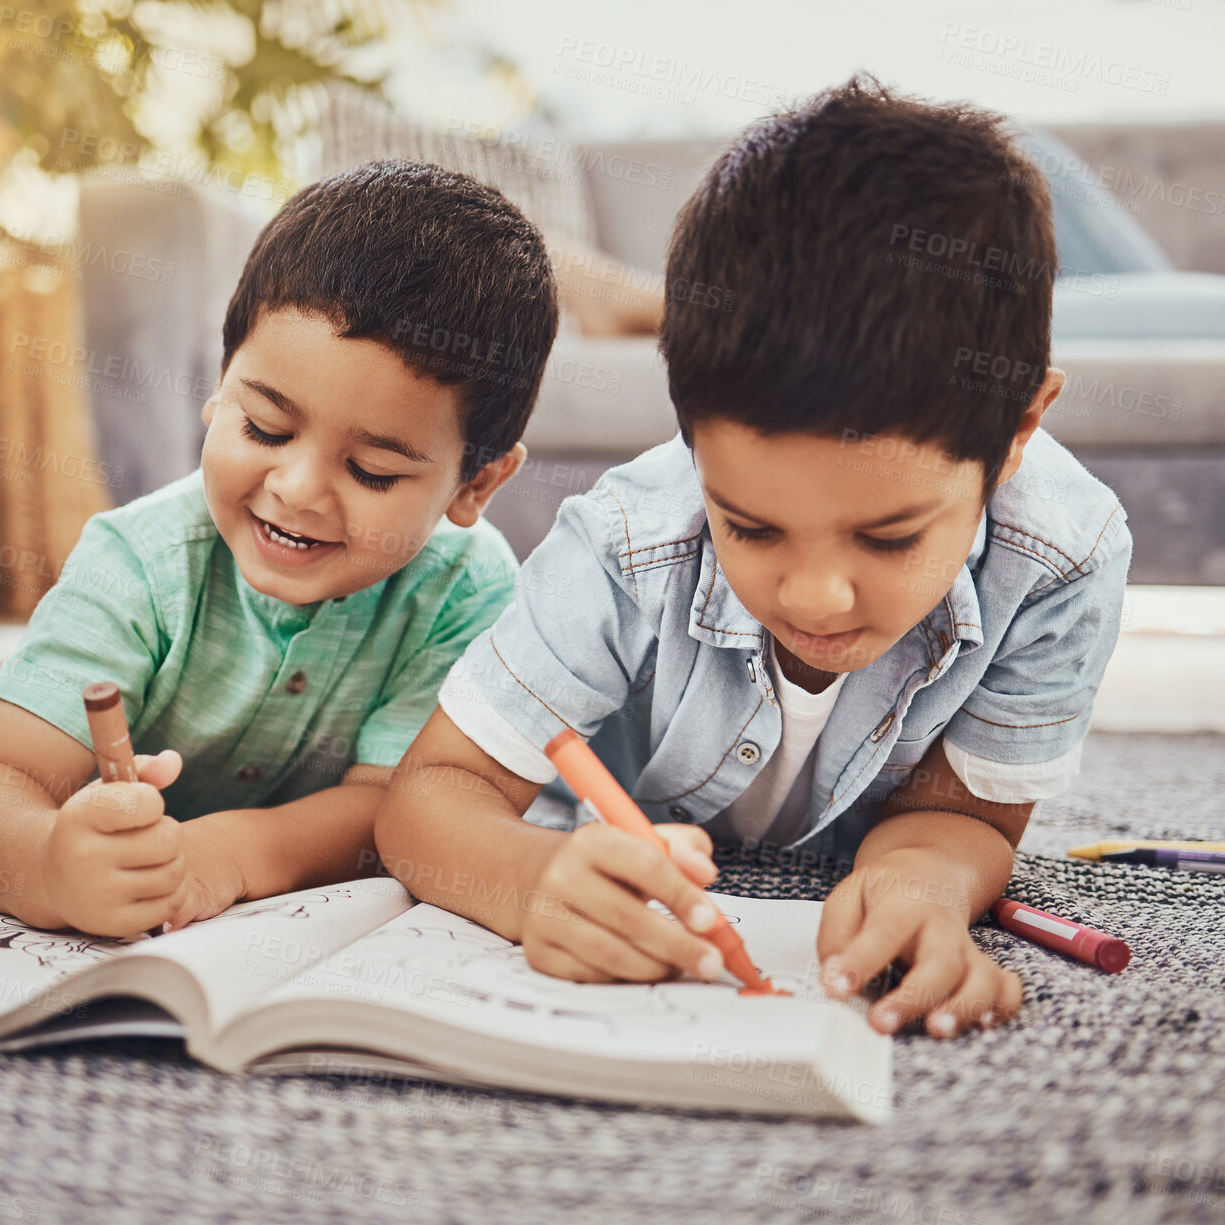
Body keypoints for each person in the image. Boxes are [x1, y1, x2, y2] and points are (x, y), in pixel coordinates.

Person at [373, 76, 1132, 1041]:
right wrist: (527, 878)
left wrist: (921, 881)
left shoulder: (1060, 559)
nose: (815, 594)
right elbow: (430, 798)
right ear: (689, 441)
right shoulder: (625, 542)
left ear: (1018, 427)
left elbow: (968, 818)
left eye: (890, 536)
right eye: (751, 527)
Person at [0, 160, 558, 940]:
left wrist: (232, 852)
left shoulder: (466, 588)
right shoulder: (140, 561)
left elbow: (397, 805)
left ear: (477, 482)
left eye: (372, 470)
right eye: (263, 426)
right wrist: (50, 865)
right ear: (219, 386)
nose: (296, 489)